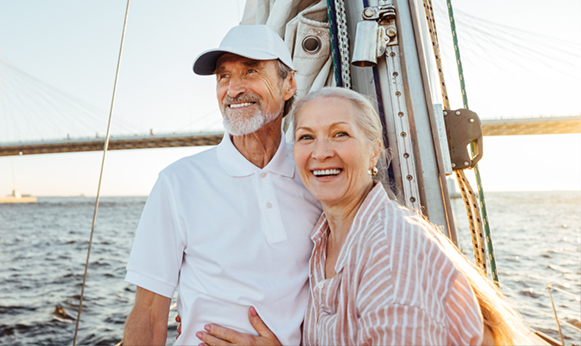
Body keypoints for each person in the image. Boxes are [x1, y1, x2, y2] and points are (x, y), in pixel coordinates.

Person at [196, 88, 537, 345]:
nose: (321, 152)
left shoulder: (389, 253)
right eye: (306, 137)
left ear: (374, 148)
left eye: (340, 134)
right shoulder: (324, 238)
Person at [122, 25, 322, 345]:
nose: (233, 89)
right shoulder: (178, 183)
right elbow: (148, 312)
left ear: (289, 84)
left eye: (251, 71)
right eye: (223, 76)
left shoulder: (317, 178)